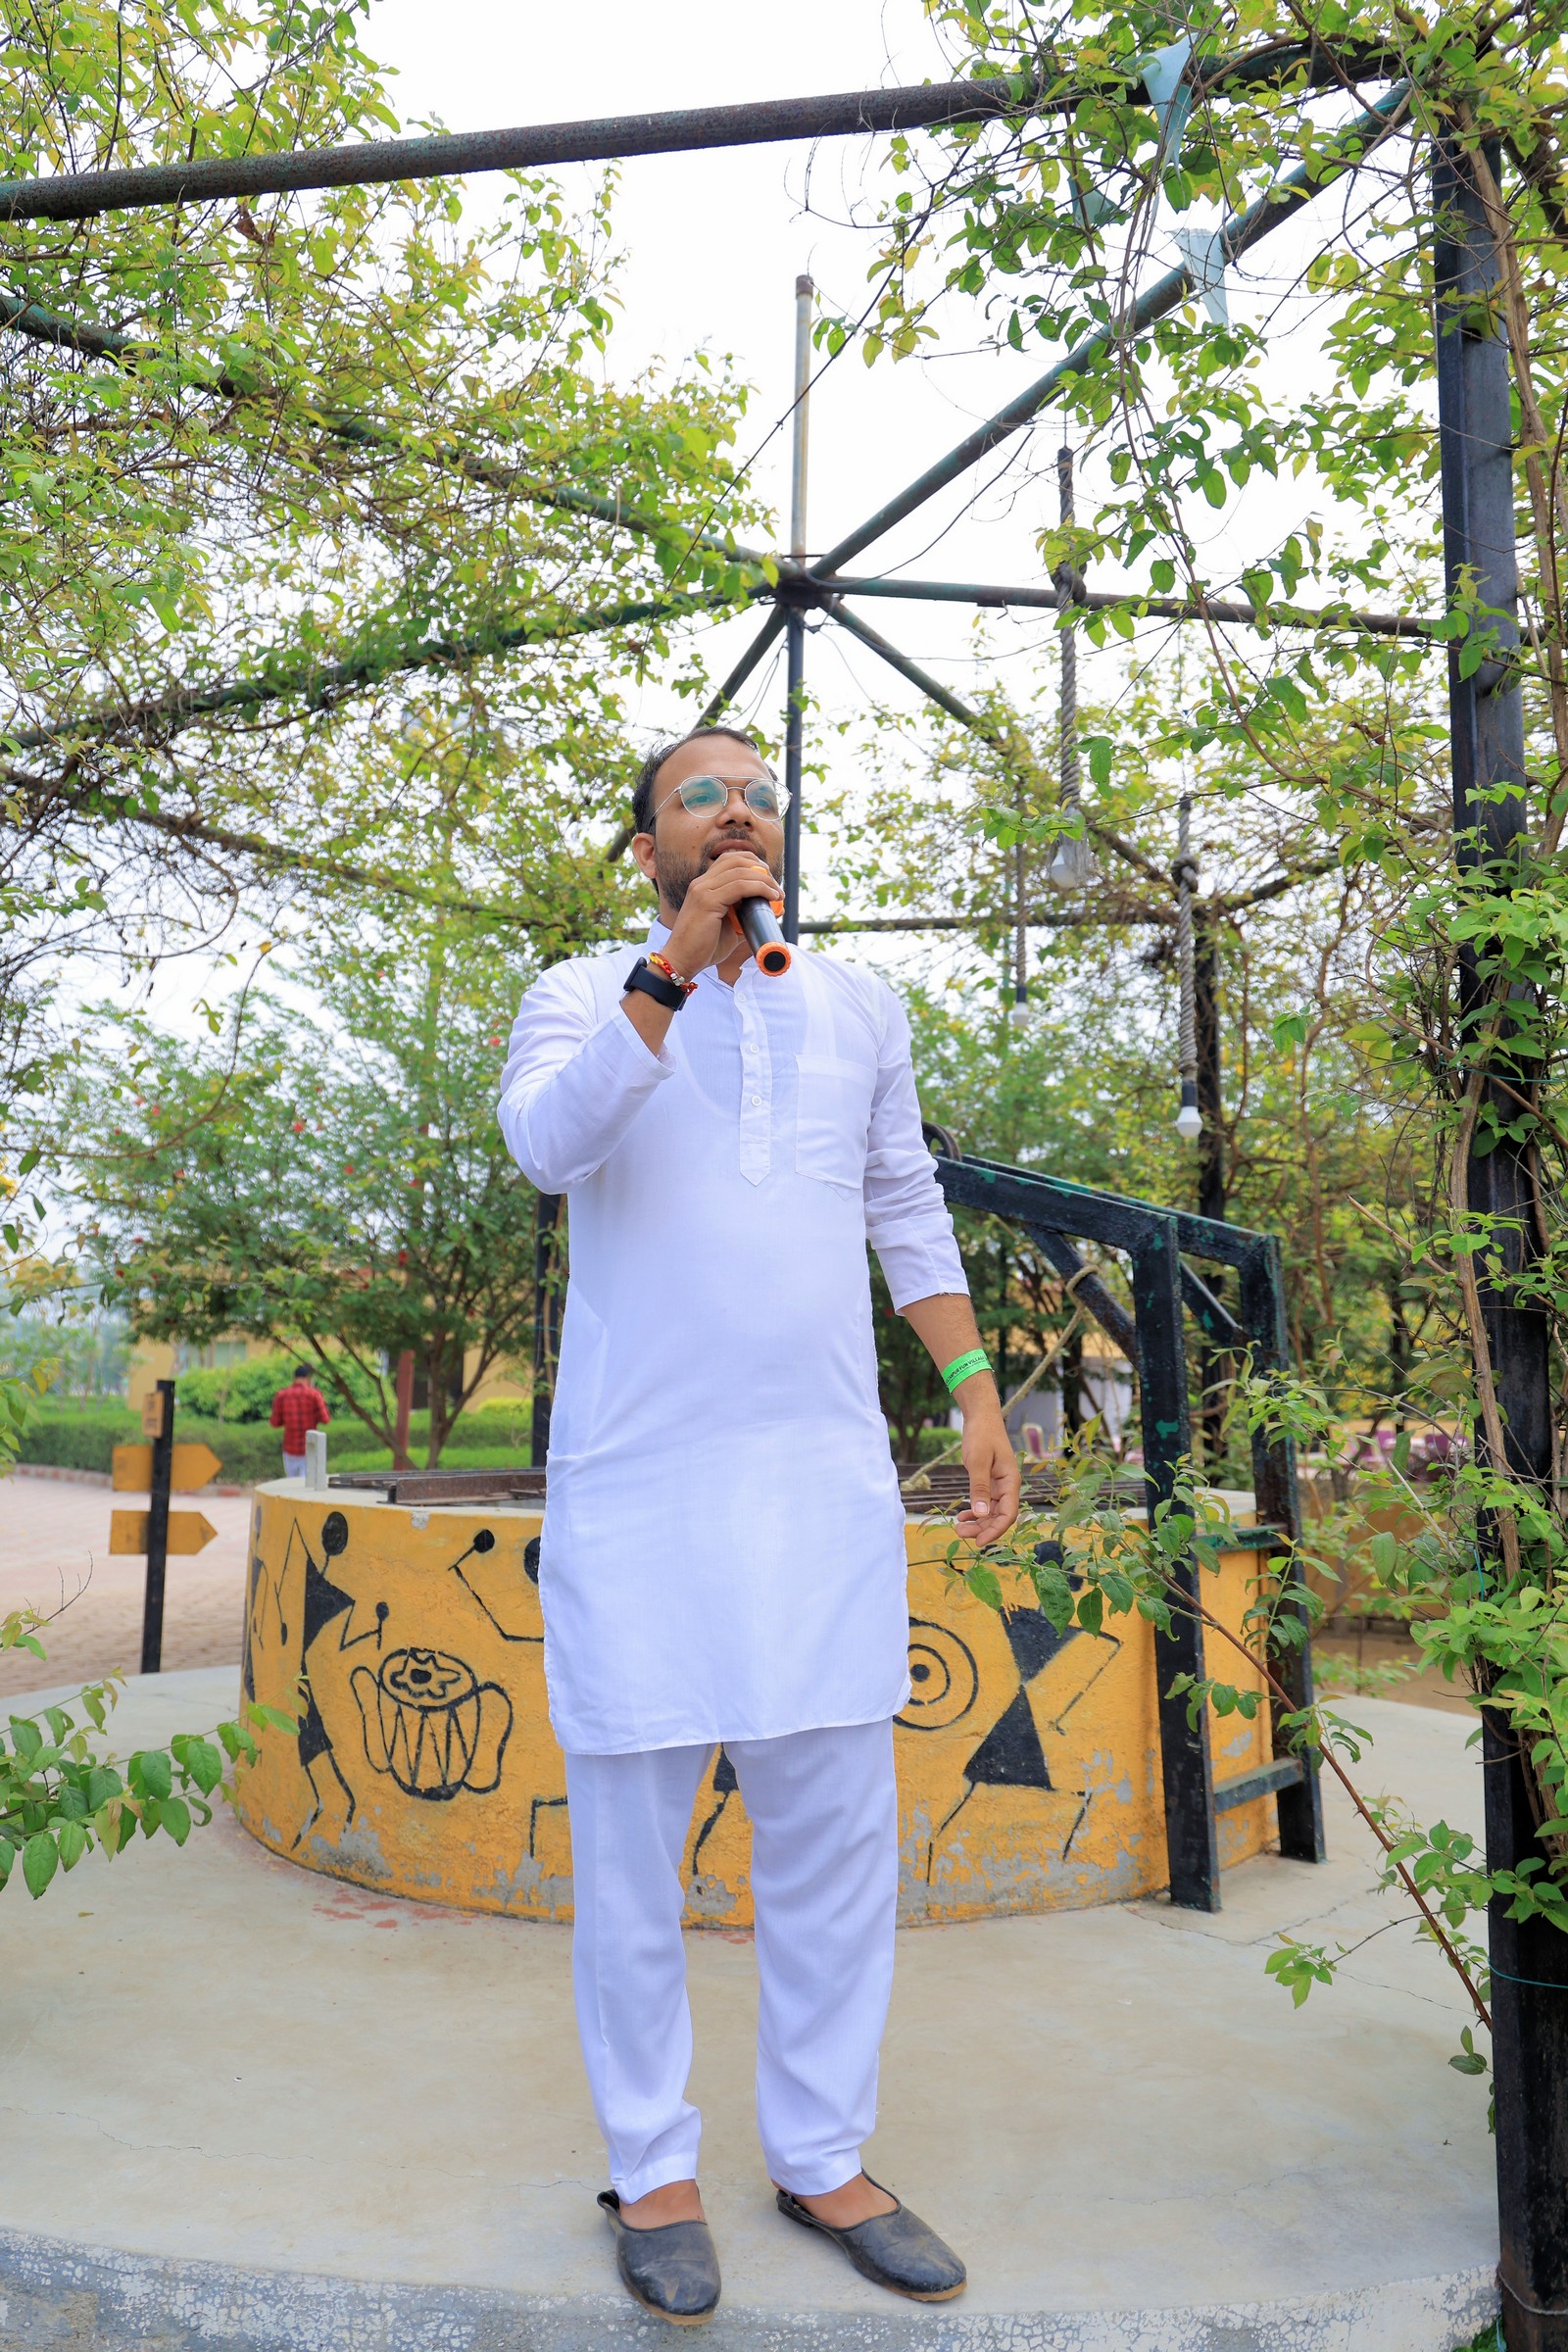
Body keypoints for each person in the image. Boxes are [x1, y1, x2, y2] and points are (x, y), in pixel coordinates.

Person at [497, 723, 1019, 2327]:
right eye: (702, 795)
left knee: (835, 1849)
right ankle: (651, 2172)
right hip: (641, 1493)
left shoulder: (857, 1004)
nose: (742, 810)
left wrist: (976, 1388)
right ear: (649, 846)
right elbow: (546, 1147)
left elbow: (902, 1201)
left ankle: (822, 2157)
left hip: (818, 1489)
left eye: (762, 793)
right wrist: (673, 968)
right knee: (632, 1863)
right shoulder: (582, 994)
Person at [270, 1365, 330, 1479]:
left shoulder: (281, 1395)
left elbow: (274, 1422)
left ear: (295, 1377)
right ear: (309, 1378)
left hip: (290, 1449)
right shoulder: (314, 1394)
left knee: (292, 1484)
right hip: (310, 1447)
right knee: (308, 1484)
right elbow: (325, 1419)